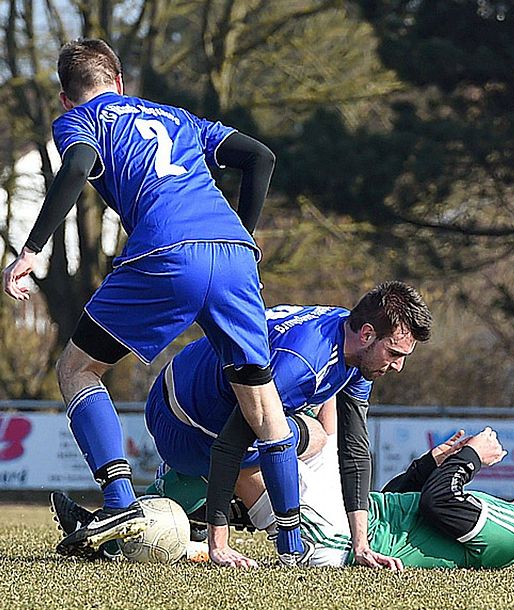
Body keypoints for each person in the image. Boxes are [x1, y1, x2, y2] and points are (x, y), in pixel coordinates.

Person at [0, 38, 308, 563]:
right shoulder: (177, 116)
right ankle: (293, 545)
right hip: (233, 256)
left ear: (64, 99)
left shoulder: (81, 121)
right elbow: (260, 157)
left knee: (78, 370)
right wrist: (242, 234)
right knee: (262, 400)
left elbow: (75, 168)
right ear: (120, 82)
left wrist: (31, 249)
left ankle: (120, 500)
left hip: (167, 251)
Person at [150, 284, 432, 568]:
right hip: (183, 425)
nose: (398, 366)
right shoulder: (301, 365)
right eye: (395, 353)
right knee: (325, 553)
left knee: (314, 437)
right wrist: (219, 545)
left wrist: (361, 545)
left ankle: (204, 492)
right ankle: (196, 489)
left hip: (183, 391)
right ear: (367, 334)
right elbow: (227, 447)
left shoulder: (353, 342)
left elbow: (355, 449)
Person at [139, 426, 514, 571]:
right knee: (289, 433)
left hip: (337, 542)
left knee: (260, 441)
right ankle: (150, 523)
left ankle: (145, 520)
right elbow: (398, 502)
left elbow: (438, 502)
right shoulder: (508, 521)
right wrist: (430, 464)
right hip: (347, 527)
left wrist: (471, 457)